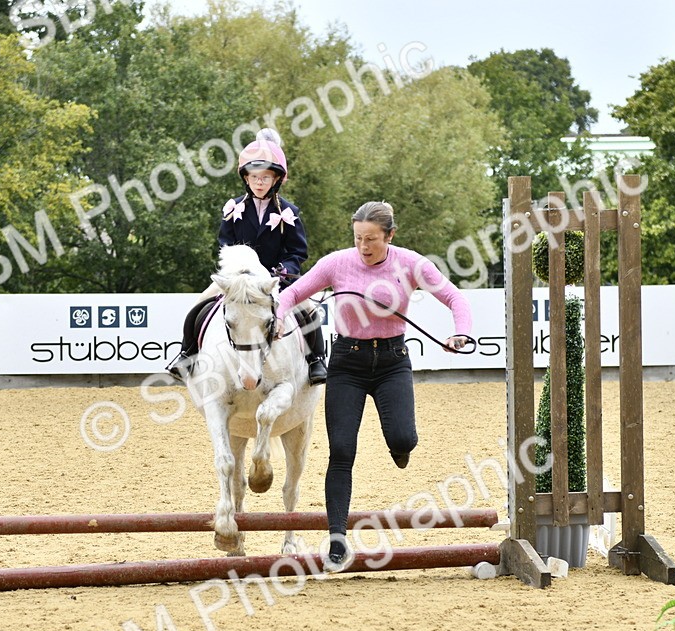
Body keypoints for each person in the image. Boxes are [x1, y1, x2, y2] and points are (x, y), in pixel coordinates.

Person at [275, 201, 473, 566]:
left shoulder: (411, 263)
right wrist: (278, 317)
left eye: (371, 240)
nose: (363, 247)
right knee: (342, 451)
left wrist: (460, 333)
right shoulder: (337, 262)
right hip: (346, 363)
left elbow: (453, 296)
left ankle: (401, 447)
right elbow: (291, 294)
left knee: (403, 439)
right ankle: (337, 538)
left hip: (393, 363)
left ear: (390, 236)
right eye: (357, 238)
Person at [167, 128, 327, 384]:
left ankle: (316, 360)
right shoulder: (234, 208)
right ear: (246, 178)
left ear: (276, 179)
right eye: (254, 176)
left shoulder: (289, 212)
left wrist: (282, 270)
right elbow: (225, 243)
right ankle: (187, 355)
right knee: (198, 306)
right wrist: (235, 269)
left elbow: (298, 251)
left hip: (276, 278)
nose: (259, 182)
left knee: (308, 310)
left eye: (265, 177)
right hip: (239, 278)